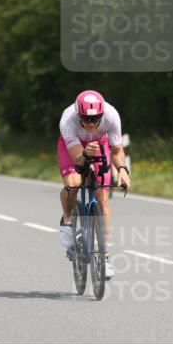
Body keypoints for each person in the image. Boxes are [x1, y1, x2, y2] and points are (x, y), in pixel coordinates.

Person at [57, 90, 131, 279]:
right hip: (73, 148)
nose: (90, 123)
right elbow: (79, 160)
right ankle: (67, 220)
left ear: (102, 115)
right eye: (85, 119)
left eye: (95, 119)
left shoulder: (112, 115)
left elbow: (116, 150)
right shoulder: (67, 120)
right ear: (78, 114)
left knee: (103, 197)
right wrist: (86, 154)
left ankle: (104, 256)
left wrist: (122, 169)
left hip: (99, 144)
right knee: (74, 183)